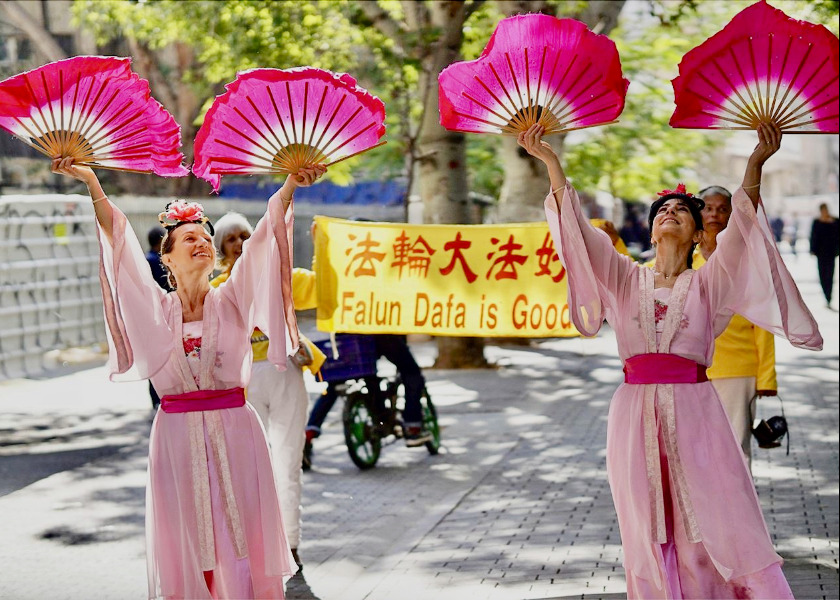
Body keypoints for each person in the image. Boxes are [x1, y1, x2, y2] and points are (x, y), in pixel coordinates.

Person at [520, 121, 822, 599]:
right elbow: (577, 234)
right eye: (664, 209)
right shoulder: (622, 277)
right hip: (632, 412)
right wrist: (550, 161)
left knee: (713, 512)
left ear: (700, 230)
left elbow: (743, 231)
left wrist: (755, 163)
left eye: (683, 210)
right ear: (652, 226)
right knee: (644, 518)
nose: (671, 213)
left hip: (697, 408)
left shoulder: (710, 282)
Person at [52, 155, 326, 599]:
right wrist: (90, 181)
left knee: (241, 539)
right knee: (190, 538)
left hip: (238, 431)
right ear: (168, 258)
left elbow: (260, 243)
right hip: (175, 436)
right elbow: (118, 241)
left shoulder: (233, 298)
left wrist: (290, 186)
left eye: (206, 237)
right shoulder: (155, 308)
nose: (201, 243)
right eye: (188, 238)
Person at [210, 212, 326, 570]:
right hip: (242, 388)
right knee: (249, 469)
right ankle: (256, 547)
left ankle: (290, 543)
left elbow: (323, 286)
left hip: (287, 373)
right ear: (221, 249)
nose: (240, 243)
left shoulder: (281, 277)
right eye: (231, 238)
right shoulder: (217, 292)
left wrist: (321, 245)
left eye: (246, 235)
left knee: (288, 465)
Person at [695, 186, 777, 470]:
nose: (715, 214)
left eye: (722, 208)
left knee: (735, 451)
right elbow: (637, 277)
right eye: (708, 207)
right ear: (697, 211)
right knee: (698, 451)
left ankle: (742, 512)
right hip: (690, 371)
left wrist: (767, 378)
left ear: (732, 216)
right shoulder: (682, 258)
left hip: (738, 371)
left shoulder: (747, 262)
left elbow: (763, 325)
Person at [304, 333, 430, 465]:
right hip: (381, 334)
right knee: (412, 373)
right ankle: (413, 425)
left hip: (347, 339)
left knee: (335, 384)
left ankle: (309, 434)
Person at [145, 225, 169, 410]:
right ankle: (158, 398)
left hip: (151, 318)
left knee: (154, 359)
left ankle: (155, 399)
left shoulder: (147, 260)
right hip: (162, 316)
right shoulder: (157, 261)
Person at [809, 202, 840, 308]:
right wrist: (812, 250)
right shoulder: (817, 222)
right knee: (822, 275)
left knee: (830, 275)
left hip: (831, 253)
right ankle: (826, 295)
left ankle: (829, 297)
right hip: (820, 254)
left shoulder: (835, 221)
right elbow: (813, 236)